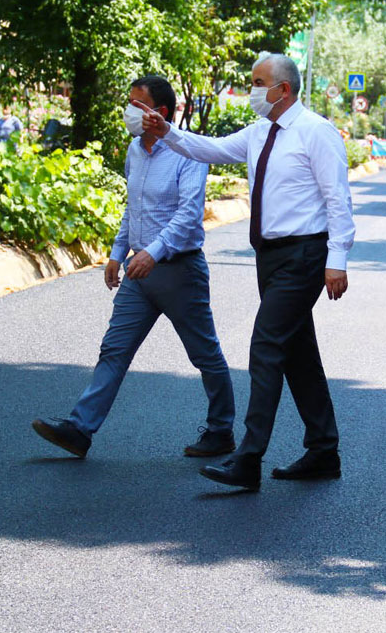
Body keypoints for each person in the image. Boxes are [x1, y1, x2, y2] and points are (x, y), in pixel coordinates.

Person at [141, 53, 355, 491]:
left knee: (266, 346)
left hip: (304, 255)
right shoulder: (260, 133)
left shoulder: (316, 132)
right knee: (297, 354)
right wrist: (167, 133)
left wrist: (338, 260)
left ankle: (249, 457)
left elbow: (338, 199)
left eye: (260, 83)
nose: (254, 89)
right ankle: (323, 450)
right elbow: (213, 150)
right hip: (270, 256)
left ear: (284, 90)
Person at [31, 76, 236, 460]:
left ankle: (221, 430)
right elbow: (134, 206)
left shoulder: (188, 152)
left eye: (136, 104)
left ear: (159, 112)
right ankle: (80, 429)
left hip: (179, 271)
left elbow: (189, 215)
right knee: (114, 350)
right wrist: (117, 251)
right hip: (138, 272)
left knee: (204, 353)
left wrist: (153, 253)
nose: (128, 111)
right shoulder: (134, 149)